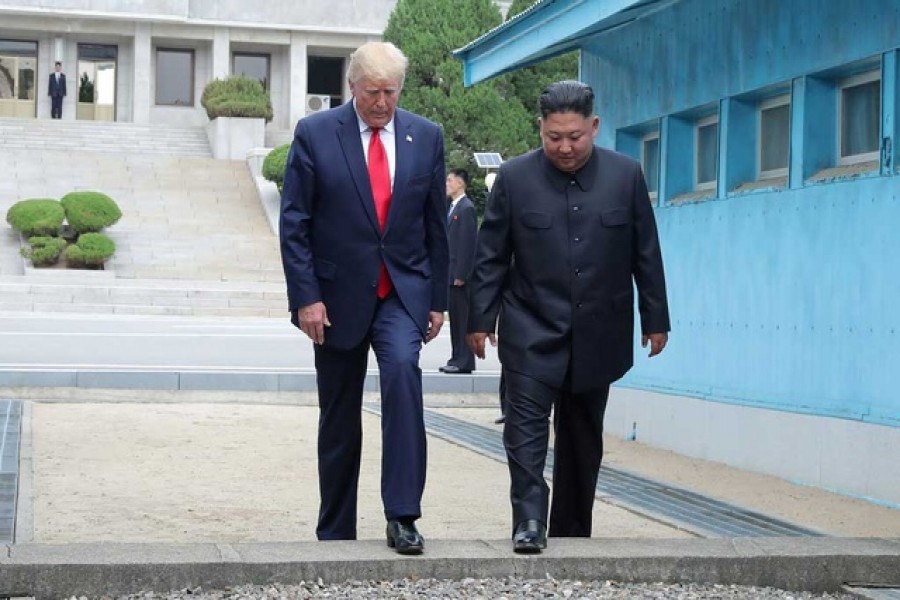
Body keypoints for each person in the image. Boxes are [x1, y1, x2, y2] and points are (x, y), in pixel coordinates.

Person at [466, 80, 670, 554]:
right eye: (553, 136)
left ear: (593, 127)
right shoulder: (514, 179)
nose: (564, 146)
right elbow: (491, 254)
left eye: (574, 136)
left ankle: (574, 530)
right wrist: (479, 319)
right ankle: (530, 522)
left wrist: (655, 317)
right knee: (525, 432)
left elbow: (646, 252)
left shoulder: (626, 176)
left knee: (582, 438)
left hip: (598, 333)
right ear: (540, 128)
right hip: (529, 328)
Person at [279, 41, 449, 555]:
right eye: (373, 91)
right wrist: (306, 297)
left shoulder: (426, 136)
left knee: (402, 376)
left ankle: (402, 516)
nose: (382, 102)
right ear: (352, 86)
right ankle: (335, 528)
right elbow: (295, 223)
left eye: (391, 92)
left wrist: (437, 300)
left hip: (401, 290)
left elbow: (435, 227)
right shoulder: (315, 133)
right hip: (333, 298)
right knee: (338, 413)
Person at [439, 168, 477, 375]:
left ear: (461, 183)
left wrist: (462, 274)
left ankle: (464, 360)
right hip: (451, 273)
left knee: (463, 320)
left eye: (450, 180)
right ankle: (456, 357)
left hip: (460, 276)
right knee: (456, 319)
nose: (447, 183)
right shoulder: (453, 207)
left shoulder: (466, 208)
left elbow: (467, 244)